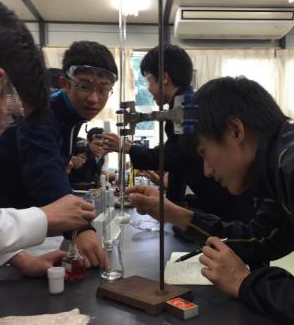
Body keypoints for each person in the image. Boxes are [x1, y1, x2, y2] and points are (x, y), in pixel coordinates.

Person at [127, 75, 294, 325]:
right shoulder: (282, 162)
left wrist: (245, 283)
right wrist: (177, 214)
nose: (207, 172)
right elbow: (262, 237)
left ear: (235, 131)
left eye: (204, 154)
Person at [0, 39, 118, 268]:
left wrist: (18, 259)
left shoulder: (71, 115)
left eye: (103, 88)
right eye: (85, 86)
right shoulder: (42, 112)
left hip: (5, 231)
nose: (94, 98)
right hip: (5, 215)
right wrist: (79, 228)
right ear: (64, 83)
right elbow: (42, 169)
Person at [104, 44, 255, 223]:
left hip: (229, 207)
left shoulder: (186, 107)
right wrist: (172, 203)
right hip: (219, 202)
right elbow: (179, 163)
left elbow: (174, 157)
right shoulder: (182, 104)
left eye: (149, 80)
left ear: (164, 78)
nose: (149, 88)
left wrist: (128, 148)